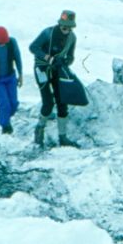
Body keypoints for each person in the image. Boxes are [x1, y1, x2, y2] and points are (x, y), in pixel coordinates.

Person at [29, 9, 78, 147]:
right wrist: (47, 57)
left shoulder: (72, 38)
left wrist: (65, 62)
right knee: (48, 102)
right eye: (63, 25)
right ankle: (40, 128)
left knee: (62, 101)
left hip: (57, 69)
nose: (65, 28)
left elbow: (71, 56)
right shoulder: (47, 33)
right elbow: (33, 47)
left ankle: (63, 137)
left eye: (68, 26)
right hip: (42, 69)